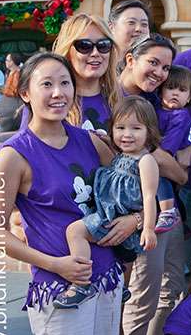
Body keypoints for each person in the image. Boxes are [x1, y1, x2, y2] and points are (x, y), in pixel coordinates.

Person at [0, 53, 123, 335]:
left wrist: (133, 221)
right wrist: (56, 264)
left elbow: (124, 191)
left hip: (107, 280)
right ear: (25, 93)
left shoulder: (91, 141)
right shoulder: (12, 156)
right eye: (46, 84)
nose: (58, 92)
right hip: (59, 289)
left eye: (65, 83)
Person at [118, 34, 189, 335]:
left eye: (166, 66)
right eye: (154, 63)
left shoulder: (156, 100)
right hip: (135, 215)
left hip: (166, 210)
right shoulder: (113, 97)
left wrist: (165, 162)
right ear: (131, 58)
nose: (161, 73)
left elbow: (178, 170)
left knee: (171, 288)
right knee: (142, 298)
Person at [53, 96, 159, 309]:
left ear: (149, 131)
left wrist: (148, 228)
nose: (126, 135)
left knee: (75, 232)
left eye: (135, 129)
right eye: (120, 128)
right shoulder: (121, 155)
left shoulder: (146, 161)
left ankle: (81, 283)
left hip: (113, 217)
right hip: (110, 213)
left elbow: (149, 196)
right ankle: (122, 288)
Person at [154, 65, 191, 234]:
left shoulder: (181, 116)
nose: (175, 93)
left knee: (160, 177)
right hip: (161, 160)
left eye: (182, 90)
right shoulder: (155, 111)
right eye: (170, 88)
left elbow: (167, 149)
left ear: (189, 97)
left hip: (172, 162)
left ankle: (168, 211)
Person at [0, 52, 24, 132]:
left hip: (12, 109)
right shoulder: (9, 73)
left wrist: (3, 90)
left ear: (13, 62)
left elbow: (15, 91)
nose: (6, 62)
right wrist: (0, 89)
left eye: (7, 60)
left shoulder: (17, 74)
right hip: (7, 107)